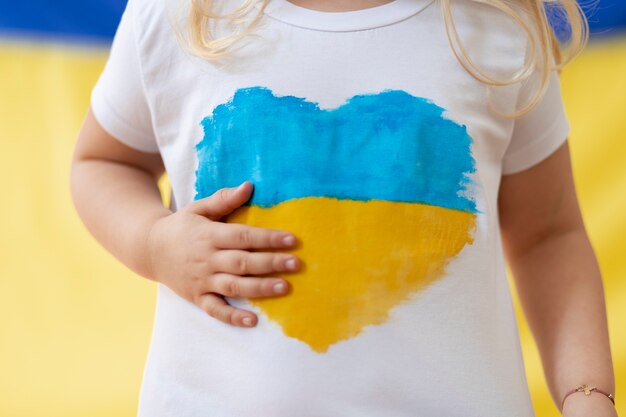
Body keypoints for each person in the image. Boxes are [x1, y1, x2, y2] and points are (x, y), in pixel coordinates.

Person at [69, 0, 618, 416]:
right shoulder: (179, 15)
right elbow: (103, 163)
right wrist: (152, 243)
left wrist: (587, 394)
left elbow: (550, 235)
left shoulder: (497, 26)